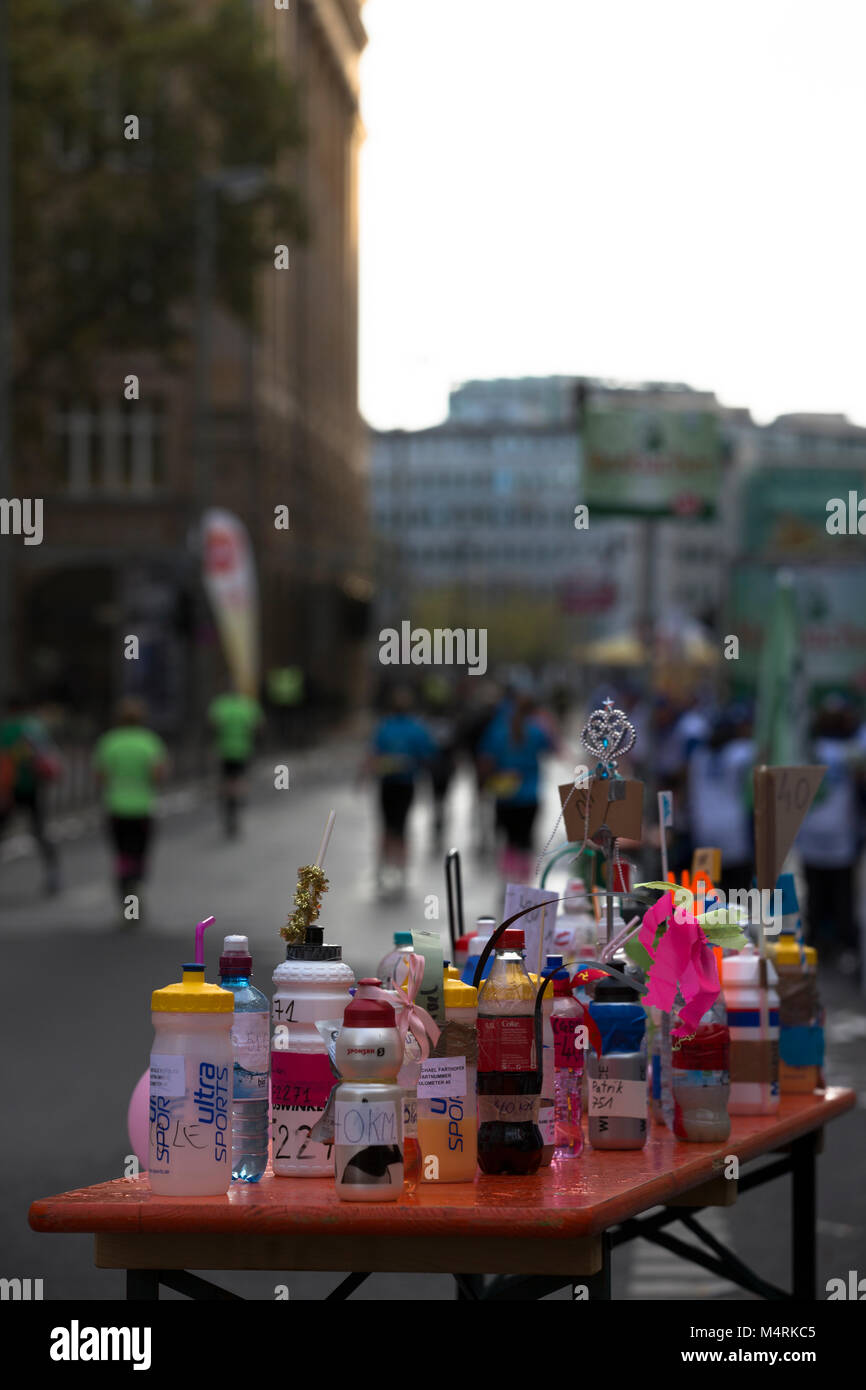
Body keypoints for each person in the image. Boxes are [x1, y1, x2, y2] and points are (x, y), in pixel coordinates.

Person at [797, 697, 862, 970]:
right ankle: (828, 946)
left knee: (831, 896)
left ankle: (832, 946)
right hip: (828, 834)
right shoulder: (845, 750)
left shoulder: (816, 751)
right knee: (829, 896)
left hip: (830, 834)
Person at [93, 697, 168, 921]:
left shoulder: (109, 742)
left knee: (122, 856)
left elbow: (100, 776)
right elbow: (158, 775)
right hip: (142, 808)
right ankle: (136, 888)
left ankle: (127, 902)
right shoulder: (149, 742)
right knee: (139, 855)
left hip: (116, 808)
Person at [478, 688, 556, 883]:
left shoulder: (498, 730)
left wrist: (484, 784)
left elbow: (486, 760)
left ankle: (508, 879)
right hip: (530, 794)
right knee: (525, 839)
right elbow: (554, 748)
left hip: (505, 794)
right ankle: (523, 883)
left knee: (508, 840)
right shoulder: (537, 730)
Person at [364, 687, 437, 896]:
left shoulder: (384, 726)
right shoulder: (416, 728)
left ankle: (382, 867)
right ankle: (401, 868)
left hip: (388, 783)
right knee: (402, 824)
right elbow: (428, 754)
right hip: (405, 784)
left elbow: (373, 754)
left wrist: (366, 775)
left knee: (386, 824)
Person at [686, 704, 755, 893]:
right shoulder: (739, 752)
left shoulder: (698, 756)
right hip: (733, 831)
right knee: (736, 893)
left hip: (704, 829)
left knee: (707, 895)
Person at [0, 694, 62, 895]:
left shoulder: (6, 730)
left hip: (11, 788)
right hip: (34, 786)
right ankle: (53, 874)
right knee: (40, 830)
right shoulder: (35, 727)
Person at [208, 687, 264, 838]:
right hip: (243, 749)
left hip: (224, 749)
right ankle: (238, 799)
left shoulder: (220, 705)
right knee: (240, 777)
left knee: (226, 778)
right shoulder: (248, 706)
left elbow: (213, 725)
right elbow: (257, 726)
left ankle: (227, 801)